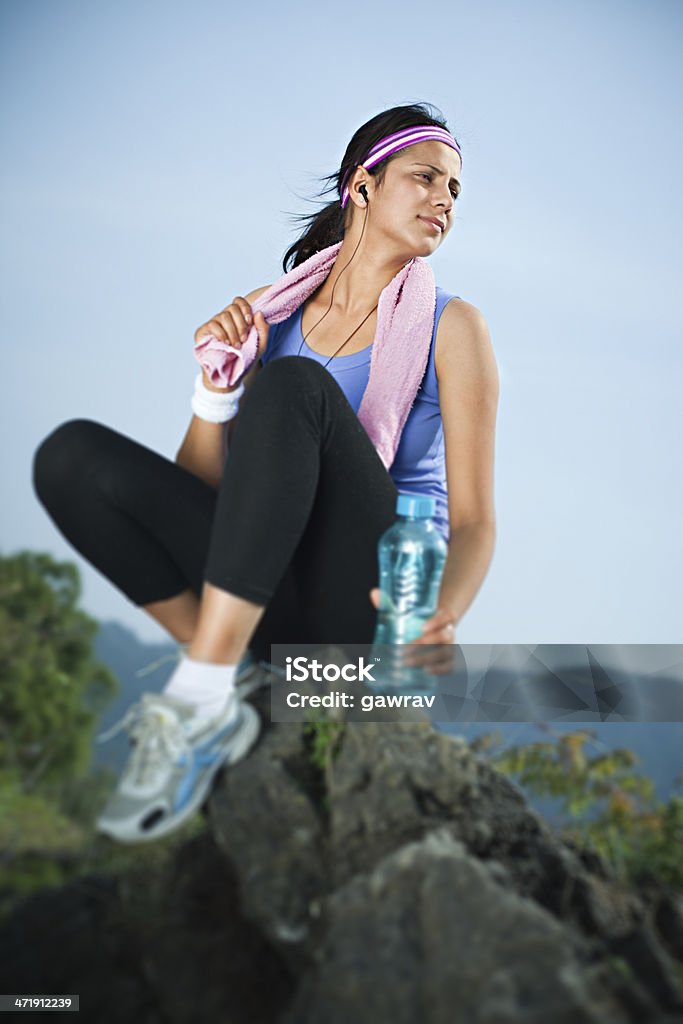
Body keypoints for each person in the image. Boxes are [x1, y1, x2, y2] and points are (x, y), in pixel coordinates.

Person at [32, 102, 499, 845]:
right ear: (362, 187)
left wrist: (441, 613)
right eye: (425, 178)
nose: (444, 200)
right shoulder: (269, 318)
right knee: (70, 458)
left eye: (454, 189)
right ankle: (235, 678)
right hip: (269, 600)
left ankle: (200, 696)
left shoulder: (452, 326)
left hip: (368, 606)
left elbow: (474, 518)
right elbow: (208, 501)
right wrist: (214, 391)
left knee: (295, 389)